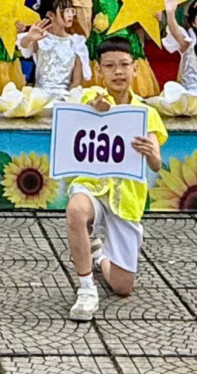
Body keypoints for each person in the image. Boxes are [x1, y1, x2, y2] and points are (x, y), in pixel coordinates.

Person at [63, 37, 167, 321]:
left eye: (124, 65)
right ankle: (86, 288)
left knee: (122, 287)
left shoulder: (147, 113)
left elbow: (156, 164)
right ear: (99, 70)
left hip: (127, 197)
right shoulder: (90, 99)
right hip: (92, 186)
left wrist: (151, 154)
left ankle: (98, 256)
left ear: (135, 68)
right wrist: (92, 111)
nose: (118, 72)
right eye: (109, 66)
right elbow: (79, 119)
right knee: (76, 211)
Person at [21, 0, 89, 97]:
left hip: (64, 100)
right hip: (39, 99)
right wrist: (29, 38)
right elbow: (24, 47)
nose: (70, 15)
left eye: (71, 10)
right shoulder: (40, 38)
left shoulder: (76, 42)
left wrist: (69, 100)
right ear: (51, 15)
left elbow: (76, 81)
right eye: (65, 11)